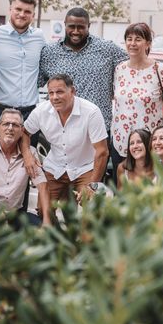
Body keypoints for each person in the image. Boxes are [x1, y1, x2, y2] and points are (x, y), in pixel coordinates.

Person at [22, 74, 108, 223]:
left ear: (72, 91)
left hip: (85, 168)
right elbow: (24, 132)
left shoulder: (91, 112)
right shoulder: (41, 111)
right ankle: (58, 238)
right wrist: (27, 154)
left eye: (60, 92)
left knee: (92, 207)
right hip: (55, 167)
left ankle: (84, 241)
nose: (55, 97)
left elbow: (102, 151)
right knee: (43, 211)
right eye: (51, 93)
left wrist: (93, 185)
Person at [39, 7, 128, 134]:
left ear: (88, 26)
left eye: (81, 27)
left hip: (98, 127)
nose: (75, 31)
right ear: (65, 25)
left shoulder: (107, 49)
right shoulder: (49, 52)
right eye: (71, 26)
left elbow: (134, 65)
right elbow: (35, 84)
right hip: (61, 128)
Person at [0, 0, 46, 140]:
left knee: (29, 159)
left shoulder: (39, 37)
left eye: (27, 11)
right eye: (18, 9)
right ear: (10, 9)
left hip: (30, 114)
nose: (22, 14)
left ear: (33, 15)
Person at [0, 108, 48, 227]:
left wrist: (47, 222)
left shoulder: (30, 154)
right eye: (6, 124)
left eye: (16, 125)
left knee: (40, 231)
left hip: (15, 215)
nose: (10, 128)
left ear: (22, 130)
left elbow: (43, 186)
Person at [111, 23, 163, 174]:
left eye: (138, 39)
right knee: (123, 190)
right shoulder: (119, 69)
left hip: (150, 144)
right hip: (122, 142)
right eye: (129, 39)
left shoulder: (159, 70)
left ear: (148, 43)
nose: (132, 43)